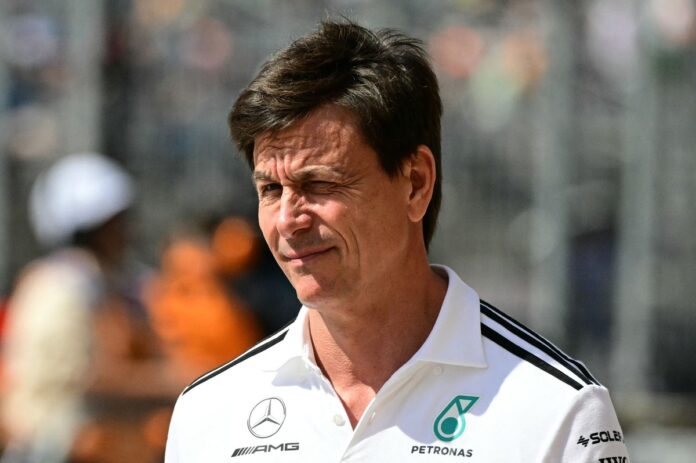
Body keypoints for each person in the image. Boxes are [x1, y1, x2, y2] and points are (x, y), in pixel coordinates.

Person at [165, 21, 630, 462]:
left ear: (415, 183)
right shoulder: (208, 413)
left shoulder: (557, 411)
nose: (287, 220)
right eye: (270, 189)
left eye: (320, 184)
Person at [1, 153, 177, 463]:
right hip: (51, 443)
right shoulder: (60, 285)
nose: (124, 229)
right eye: (110, 223)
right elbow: (92, 377)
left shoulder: (113, 277)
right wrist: (180, 380)